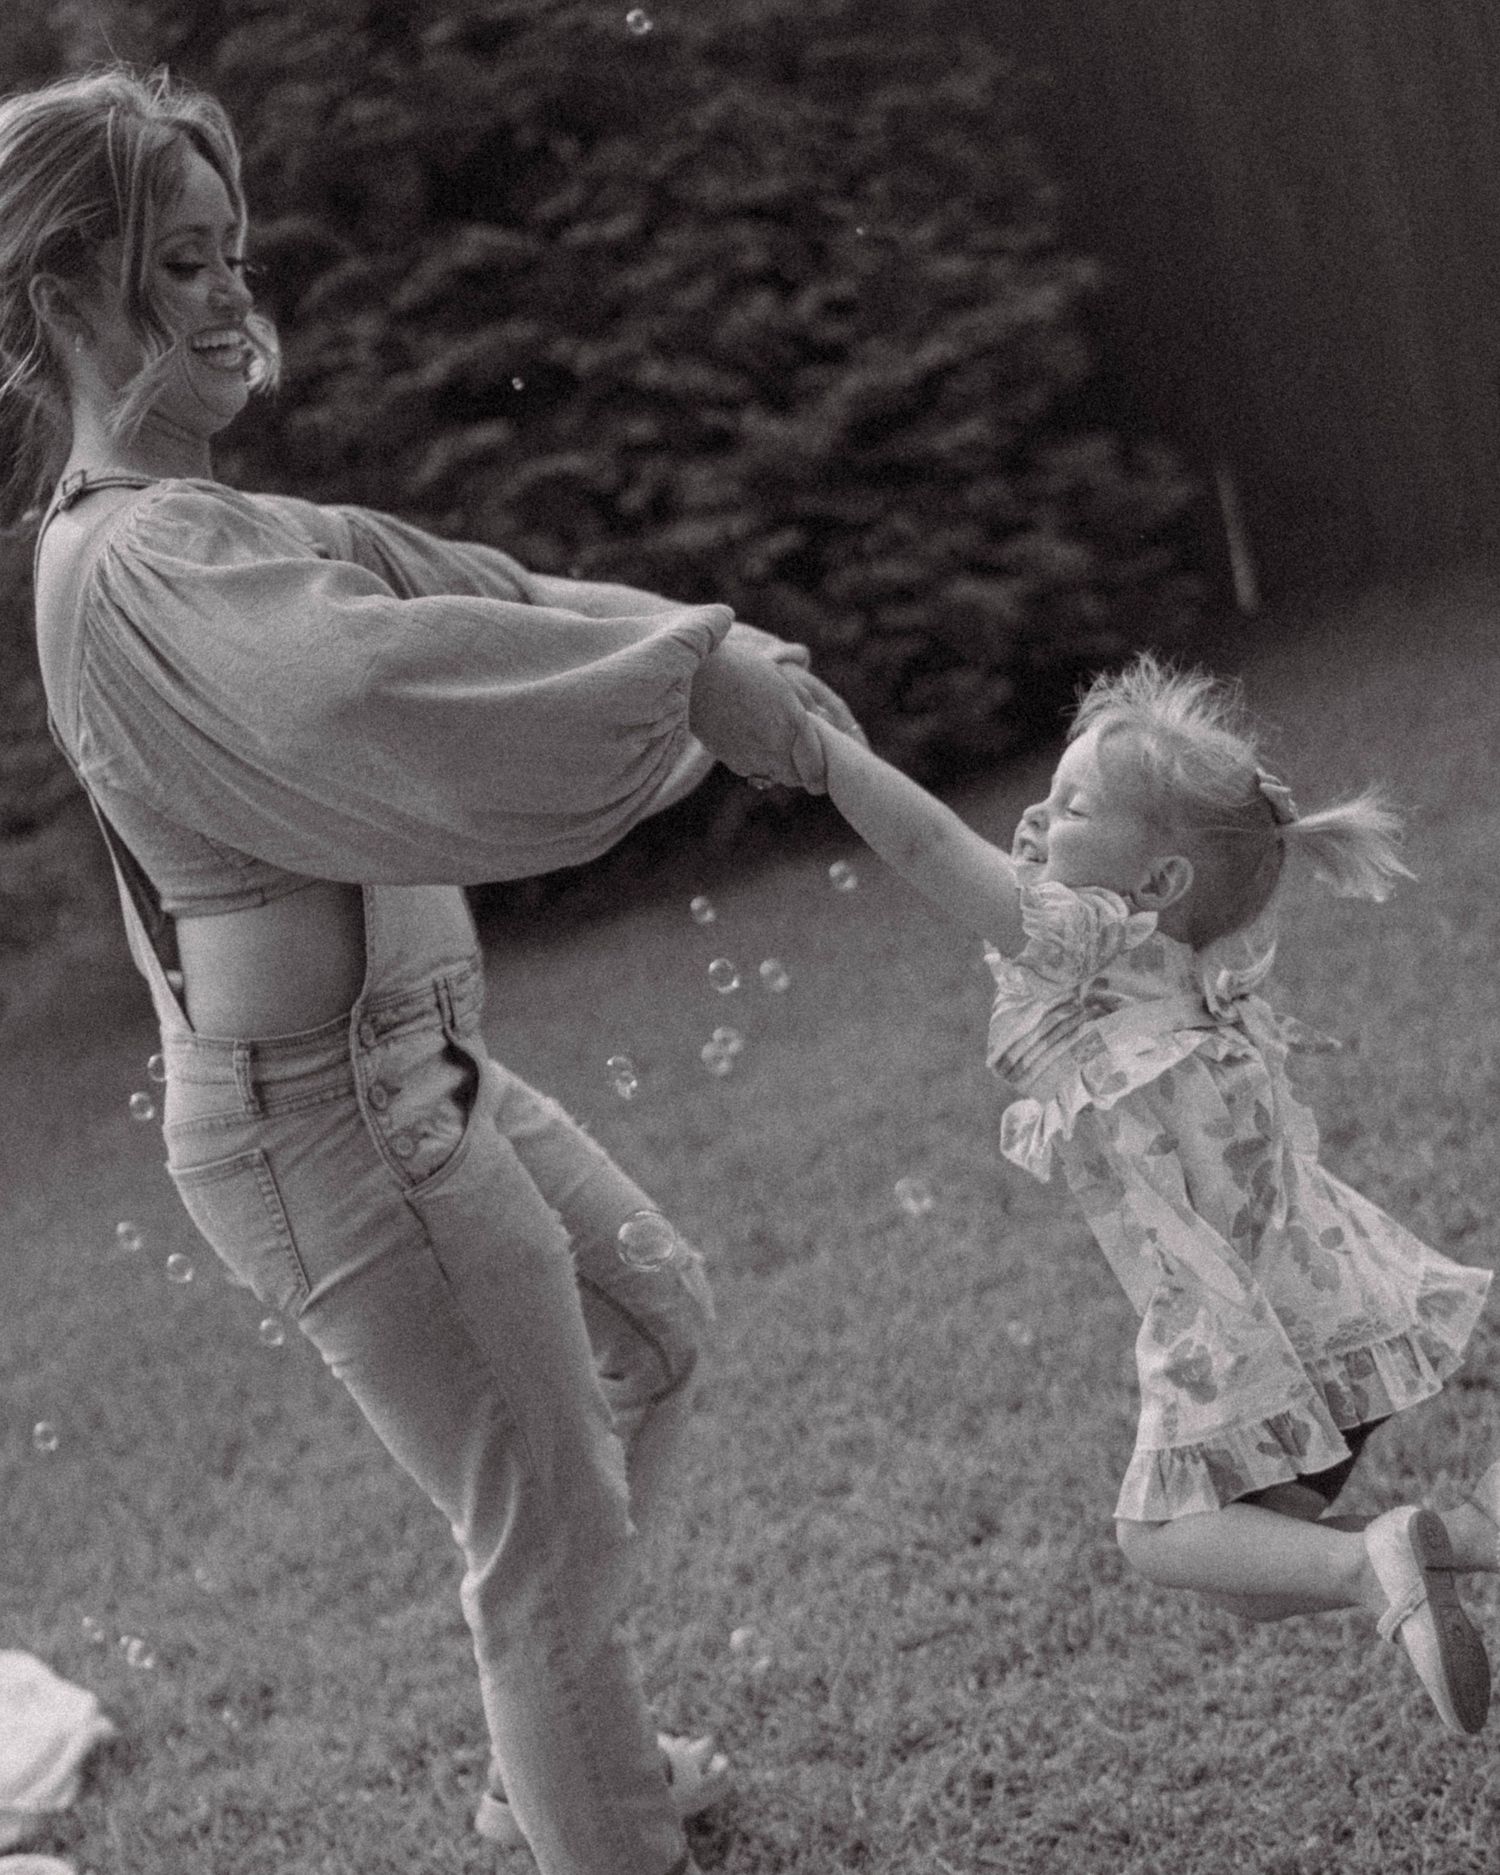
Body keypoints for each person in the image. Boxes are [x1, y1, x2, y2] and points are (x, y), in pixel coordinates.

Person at [5, 65, 858, 1875]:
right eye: (182, 262)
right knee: (541, 1531)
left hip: (419, 1070)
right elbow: (366, 690)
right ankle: (589, 1810)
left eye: (235, 252)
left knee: (658, 1323)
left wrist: (699, 643)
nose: (234, 292)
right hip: (336, 1127)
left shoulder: (243, 529)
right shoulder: (141, 564)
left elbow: (491, 589)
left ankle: (569, 1761)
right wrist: (683, 683)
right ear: (68, 298)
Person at [803, 651, 1496, 1736]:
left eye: (1073, 804)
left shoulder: (1088, 938)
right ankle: (1462, 1530)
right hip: (1325, 1301)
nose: (1038, 812)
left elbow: (930, 844)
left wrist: (825, 759)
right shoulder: (1192, 958)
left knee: (1157, 1537)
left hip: (1230, 1321)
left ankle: (1376, 1567)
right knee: (1244, 1576)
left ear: (1158, 883)